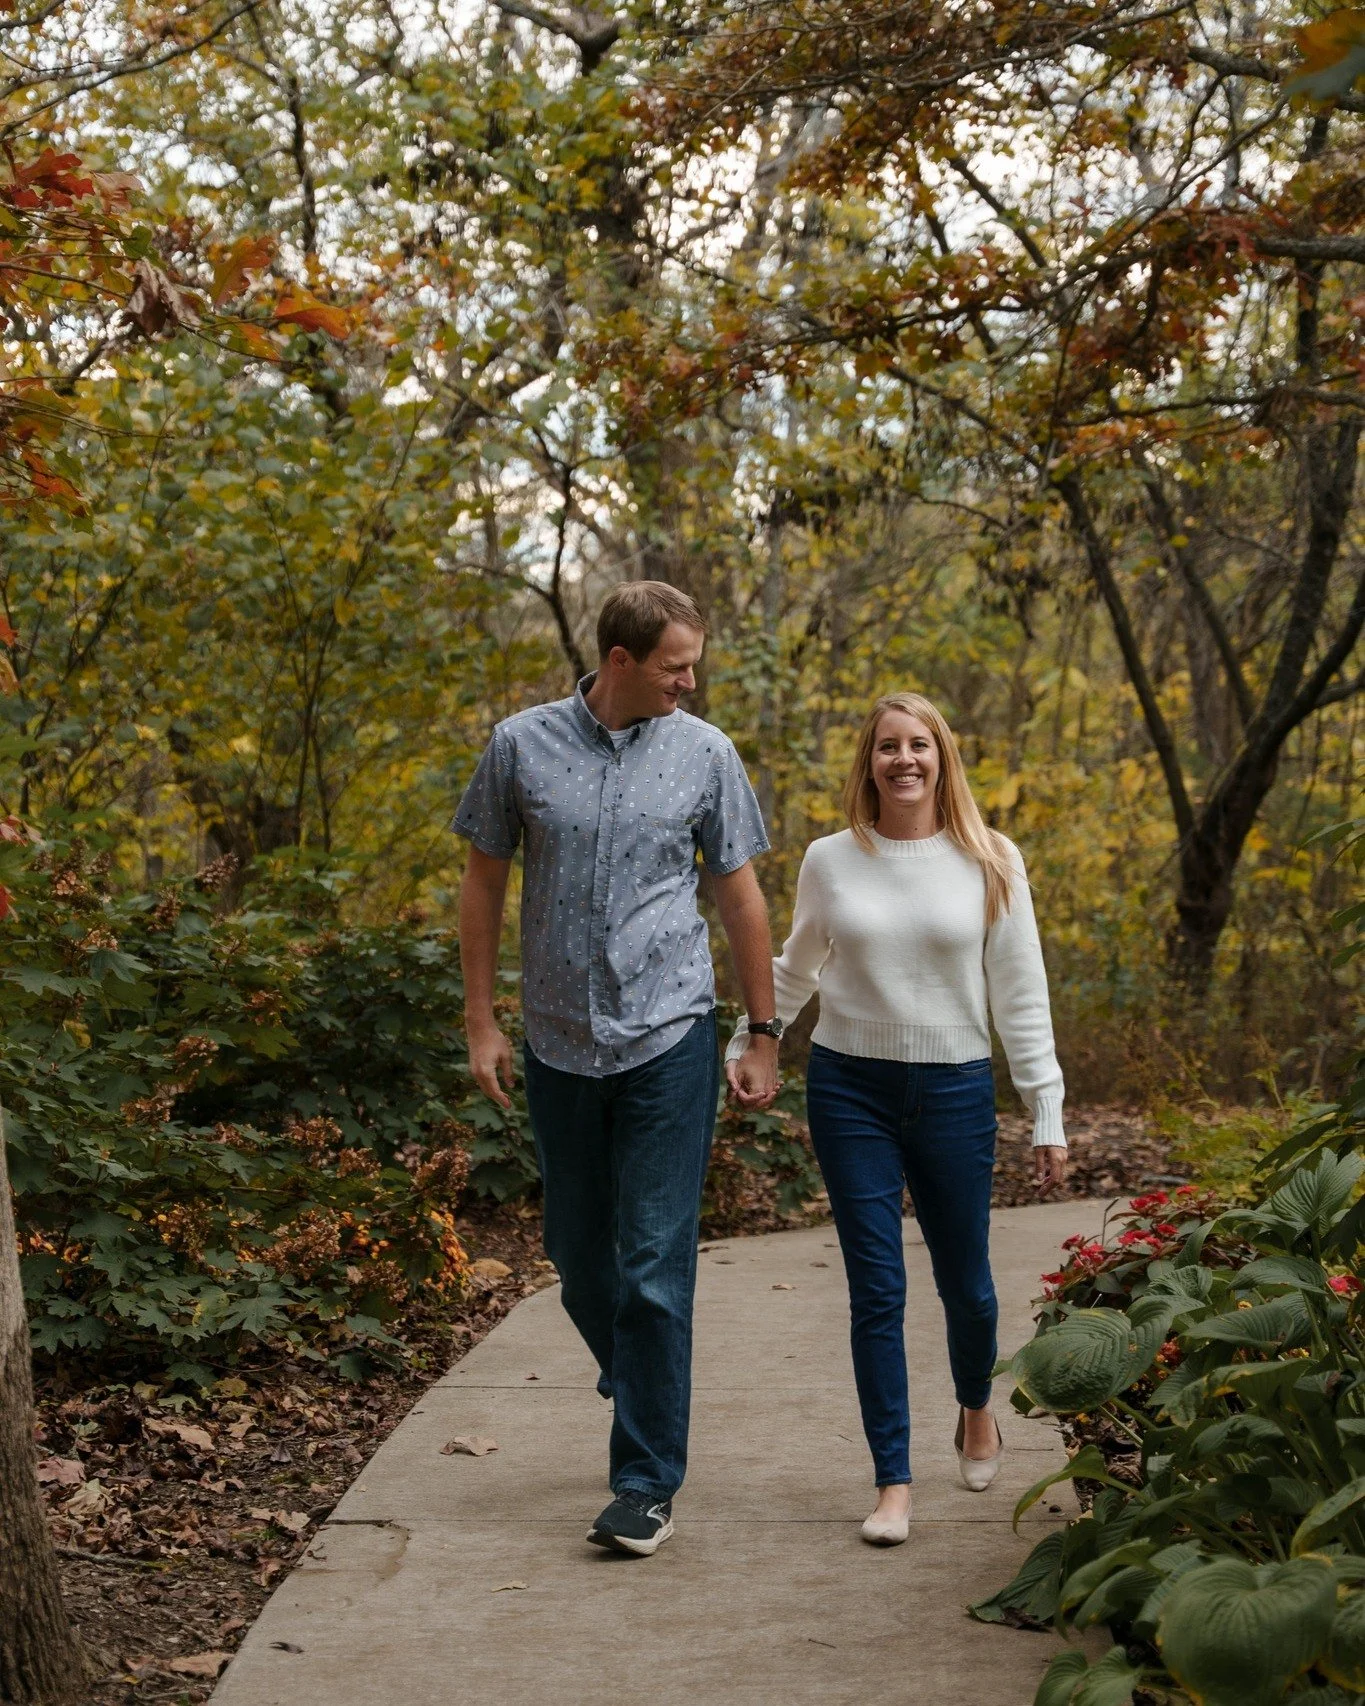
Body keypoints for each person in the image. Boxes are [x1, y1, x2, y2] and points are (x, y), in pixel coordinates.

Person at [454, 581, 781, 1558]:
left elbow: (742, 898)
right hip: (558, 1040)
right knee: (578, 1258)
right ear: (622, 660)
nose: (693, 678)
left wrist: (762, 1031)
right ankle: (640, 1376)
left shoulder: (706, 752)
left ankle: (643, 1480)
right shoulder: (520, 745)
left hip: (669, 1033)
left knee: (650, 1260)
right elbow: (481, 883)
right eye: (678, 663)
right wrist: (481, 1020)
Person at [728, 691, 1068, 1546]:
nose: (904, 760)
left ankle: (976, 1407)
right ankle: (892, 1483)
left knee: (969, 1287)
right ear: (868, 762)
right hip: (851, 1091)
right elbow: (795, 965)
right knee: (876, 1290)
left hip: (955, 1089)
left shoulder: (991, 859)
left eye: (919, 745)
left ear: (942, 757)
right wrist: (755, 1038)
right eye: (888, 747)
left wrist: (1046, 1109)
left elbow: (1019, 994)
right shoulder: (830, 860)